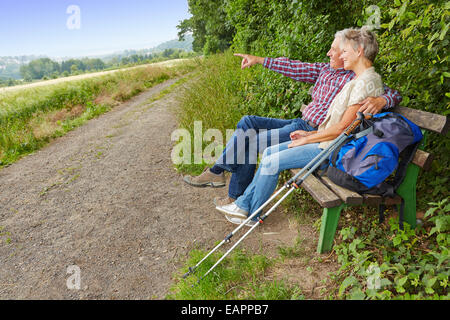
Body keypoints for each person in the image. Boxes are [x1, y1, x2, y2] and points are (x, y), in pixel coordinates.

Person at [183, 27, 402, 207]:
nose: (331, 53)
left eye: (336, 50)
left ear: (353, 51)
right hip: (300, 124)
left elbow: (388, 91)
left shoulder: (355, 77)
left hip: (316, 132)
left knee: (248, 142)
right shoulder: (325, 70)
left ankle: (231, 191)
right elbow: (294, 67)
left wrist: (384, 100)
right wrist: (258, 59)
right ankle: (219, 173)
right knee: (247, 122)